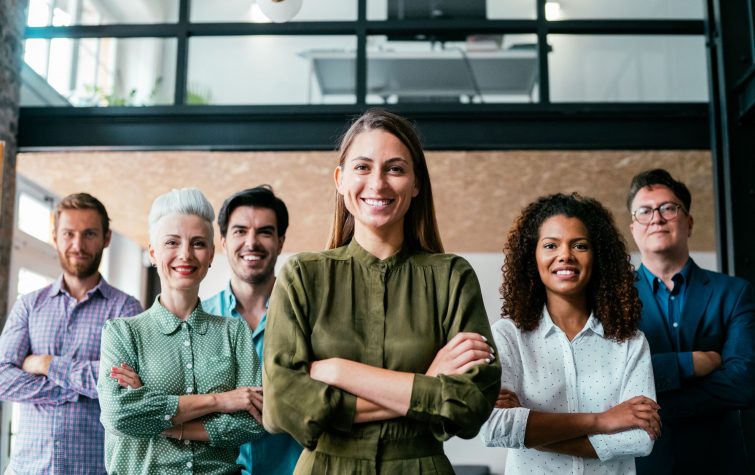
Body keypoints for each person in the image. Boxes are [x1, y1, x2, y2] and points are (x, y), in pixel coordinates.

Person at [262, 108, 501, 474]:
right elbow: (281, 407)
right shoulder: (302, 276)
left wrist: (339, 372)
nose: (378, 183)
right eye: (362, 167)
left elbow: (471, 404)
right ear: (340, 179)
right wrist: (428, 385)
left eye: (395, 168)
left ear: (416, 183)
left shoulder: (452, 276)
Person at [482, 193, 659, 474]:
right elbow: (494, 428)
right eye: (551, 245)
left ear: (597, 256)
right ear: (533, 256)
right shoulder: (508, 336)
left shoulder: (629, 341)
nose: (565, 255)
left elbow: (640, 439)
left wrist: (531, 431)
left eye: (579, 245)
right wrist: (603, 420)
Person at [97, 188, 265, 474]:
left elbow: (252, 422)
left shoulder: (233, 333)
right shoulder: (122, 333)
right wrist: (221, 401)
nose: (185, 254)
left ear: (211, 255)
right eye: (172, 242)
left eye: (198, 243)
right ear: (153, 251)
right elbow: (120, 415)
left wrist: (163, 421)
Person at [0, 192, 142, 475]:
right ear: (55, 236)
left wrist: (47, 365)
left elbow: (123, 386)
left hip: (94, 469)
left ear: (106, 238)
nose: (78, 245)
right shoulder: (29, 305)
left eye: (89, 234)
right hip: (28, 468)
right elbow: (2, 379)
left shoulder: (126, 308)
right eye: (69, 234)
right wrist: (84, 386)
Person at [627, 169, 755, 474]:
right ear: (633, 228)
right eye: (645, 211)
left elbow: (744, 382)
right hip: (642, 465)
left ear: (689, 222)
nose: (656, 218)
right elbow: (610, 376)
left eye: (668, 208)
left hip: (718, 462)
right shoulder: (610, 300)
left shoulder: (734, 293)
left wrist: (656, 407)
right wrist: (690, 363)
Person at [203, 185, 302, 475]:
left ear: (281, 241)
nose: (252, 242)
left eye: (265, 232)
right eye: (240, 231)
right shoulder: (198, 318)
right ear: (222, 241)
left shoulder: (307, 318)